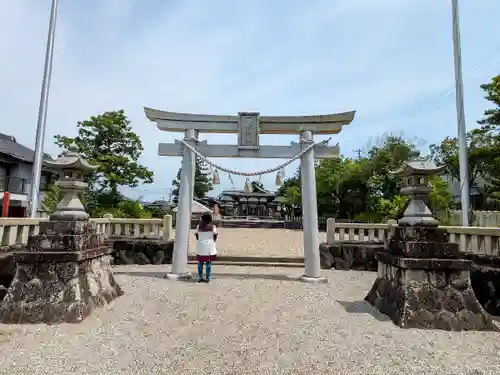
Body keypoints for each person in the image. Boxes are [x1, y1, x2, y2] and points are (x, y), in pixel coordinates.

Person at [195, 214, 218, 283]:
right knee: (208, 263)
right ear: (210, 219)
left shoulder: (198, 226)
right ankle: (207, 278)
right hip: (209, 247)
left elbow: (197, 236)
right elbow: (215, 236)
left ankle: (200, 277)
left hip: (201, 247)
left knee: (200, 262)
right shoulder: (213, 227)